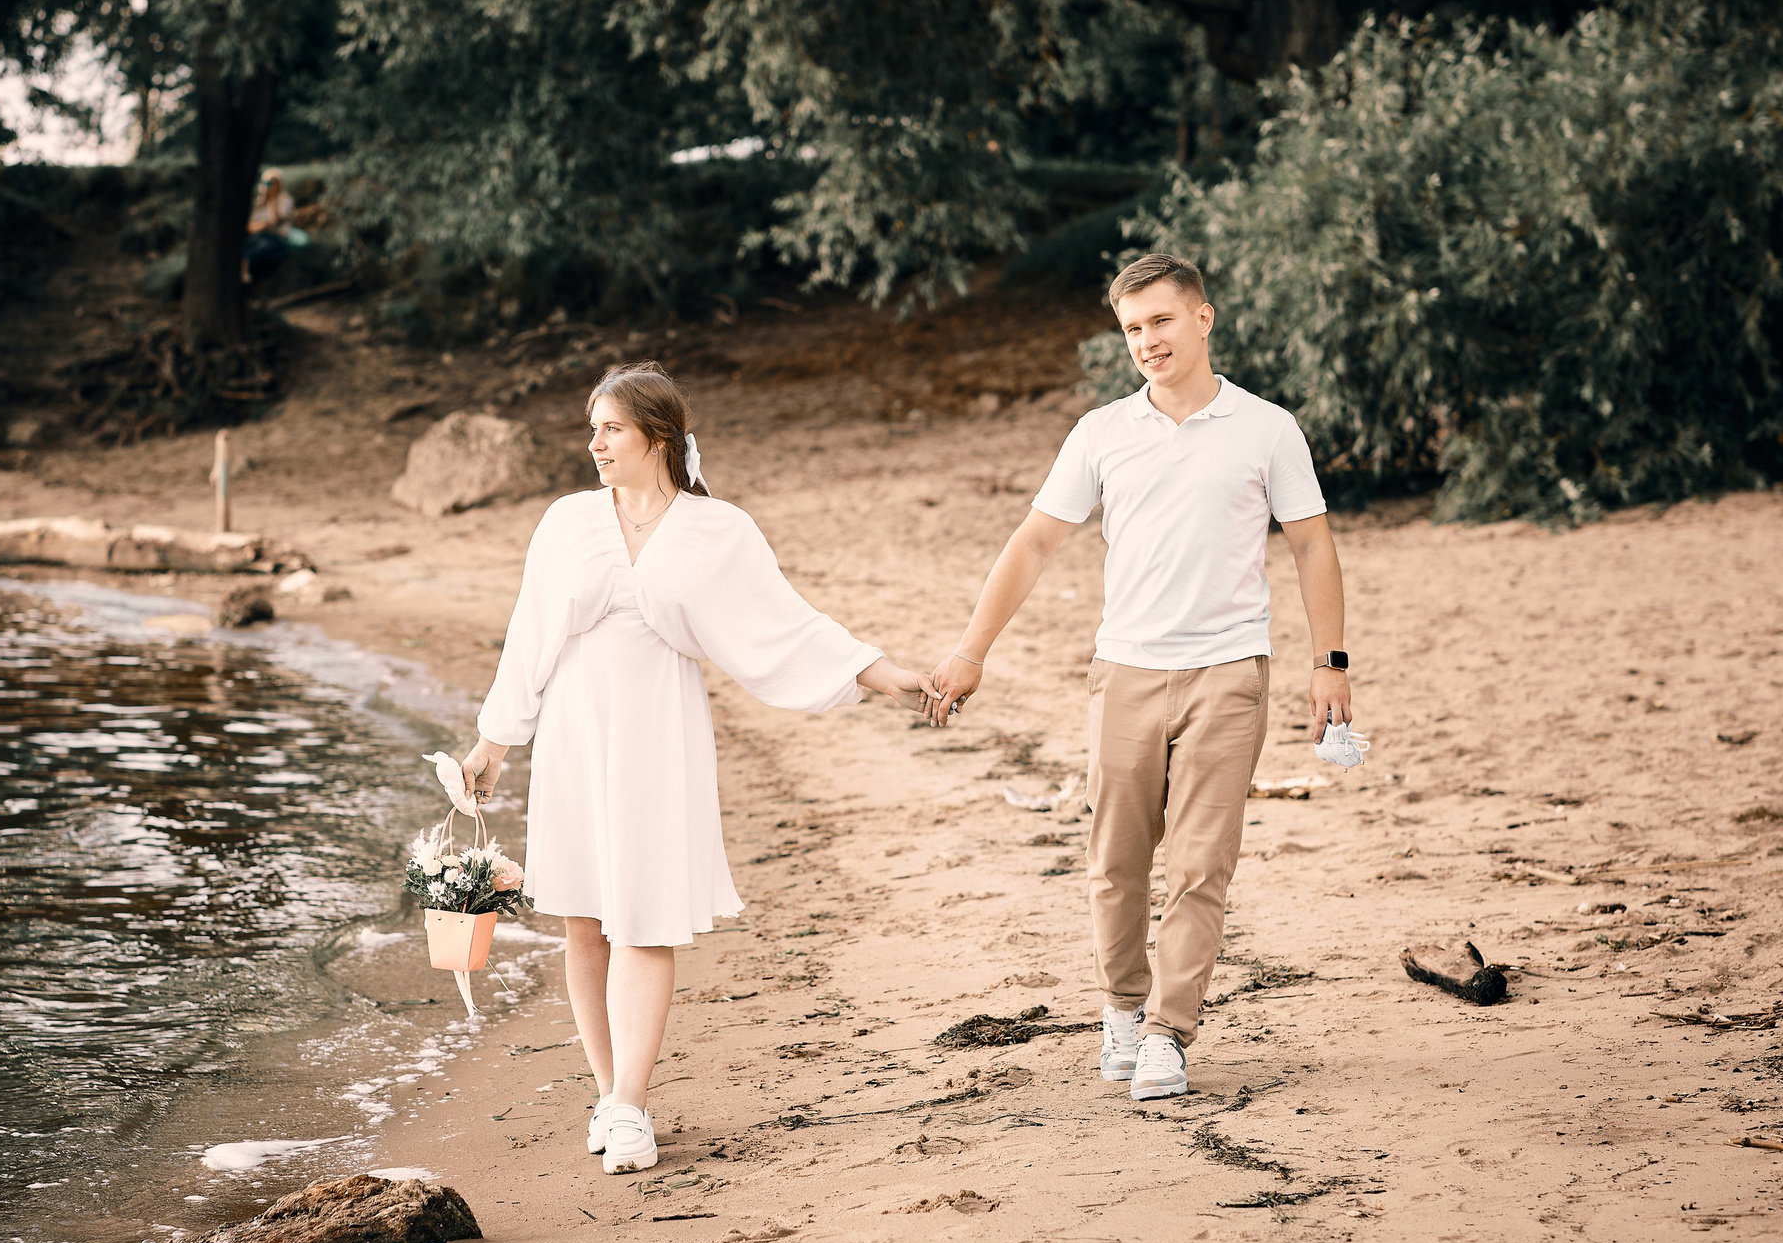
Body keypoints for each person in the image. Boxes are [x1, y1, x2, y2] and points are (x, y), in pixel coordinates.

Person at [459, 362, 940, 1172]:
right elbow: (529, 635)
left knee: (643, 912)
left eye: (609, 428)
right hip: (577, 729)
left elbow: (788, 626)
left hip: (657, 727)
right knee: (583, 916)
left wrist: (888, 676)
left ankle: (632, 1106)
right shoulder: (567, 522)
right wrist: (494, 742)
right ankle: (610, 1095)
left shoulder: (718, 530)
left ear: (656, 434)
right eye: (592, 428)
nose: (594, 443)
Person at [927, 253, 1352, 1102]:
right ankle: (1123, 1010)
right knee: (1115, 864)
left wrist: (1329, 664)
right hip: (1123, 671)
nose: (1146, 341)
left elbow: (1311, 544)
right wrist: (972, 649)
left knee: (1201, 863)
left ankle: (1168, 1032)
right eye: (1131, 329)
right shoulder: (1101, 434)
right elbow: (1034, 542)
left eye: (1160, 321)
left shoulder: (1267, 428)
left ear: (1203, 317)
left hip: (1229, 671)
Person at [242, 170, 295, 283]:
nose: (270, 186)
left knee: (256, 252)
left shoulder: (284, 200)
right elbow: (250, 227)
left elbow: (276, 221)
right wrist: (262, 225)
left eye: (273, 183)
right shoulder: (259, 203)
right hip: (257, 236)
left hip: (276, 239)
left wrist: (272, 202)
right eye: (268, 183)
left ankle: (248, 277)